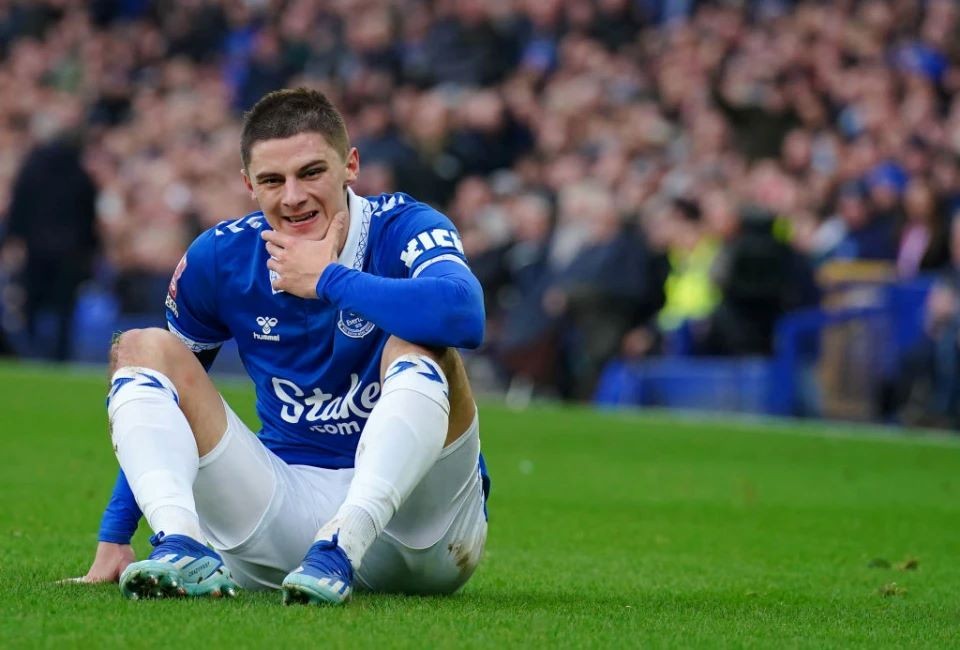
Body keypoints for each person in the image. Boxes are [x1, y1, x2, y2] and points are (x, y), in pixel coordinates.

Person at [80, 88, 490, 605]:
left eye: (311, 172)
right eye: (273, 181)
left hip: (420, 532)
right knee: (142, 347)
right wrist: (117, 531)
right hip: (287, 516)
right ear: (249, 185)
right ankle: (180, 545)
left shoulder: (405, 226)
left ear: (351, 166)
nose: (293, 197)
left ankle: (345, 541)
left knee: (421, 344)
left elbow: (465, 314)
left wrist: (330, 280)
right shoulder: (222, 256)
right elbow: (163, 397)